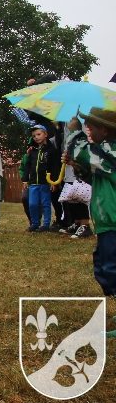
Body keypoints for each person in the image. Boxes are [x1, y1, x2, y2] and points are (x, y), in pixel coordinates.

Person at [62, 108, 116, 297]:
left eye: (90, 128)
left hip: (113, 221)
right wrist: (75, 165)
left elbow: (81, 151)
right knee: (103, 264)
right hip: (107, 222)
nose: (88, 132)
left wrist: (75, 132)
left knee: (112, 266)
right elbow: (96, 178)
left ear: (105, 130)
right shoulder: (105, 155)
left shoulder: (112, 152)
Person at [21, 124, 61, 232]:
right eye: (34, 136)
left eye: (38, 134)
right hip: (33, 182)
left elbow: (55, 167)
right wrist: (25, 180)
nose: (36, 137)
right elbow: (27, 166)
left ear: (45, 134)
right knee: (32, 204)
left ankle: (46, 224)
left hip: (46, 182)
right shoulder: (32, 152)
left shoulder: (51, 150)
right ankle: (35, 223)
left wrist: (54, 182)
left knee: (45, 204)